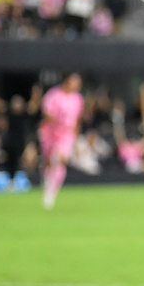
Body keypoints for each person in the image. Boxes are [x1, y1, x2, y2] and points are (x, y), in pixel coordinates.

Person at [38, 73, 84, 210]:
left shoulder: (78, 99)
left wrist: (75, 139)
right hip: (50, 133)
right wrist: (58, 122)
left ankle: (51, 192)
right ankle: (47, 182)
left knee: (60, 159)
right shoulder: (53, 94)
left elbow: (77, 120)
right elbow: (46, 113)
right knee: (48, 161)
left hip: (66, 135)